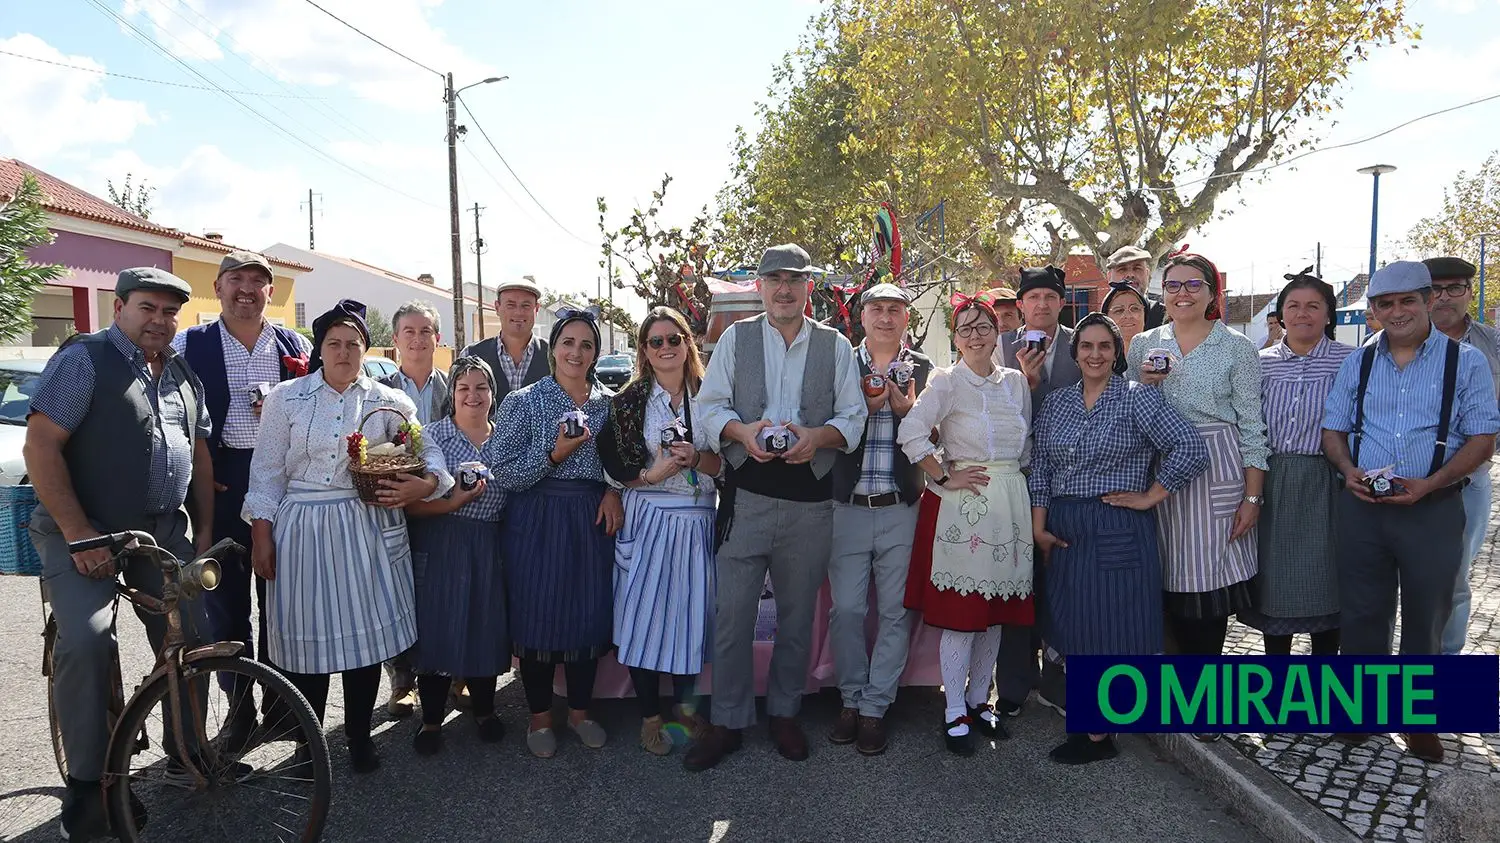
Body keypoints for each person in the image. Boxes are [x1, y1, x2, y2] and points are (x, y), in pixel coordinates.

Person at [26, 268, 216, 839]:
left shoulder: (181, 371)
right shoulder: (85, 360)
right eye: (147, 308)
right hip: (79, 530)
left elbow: (199, 455)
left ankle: (187, 748)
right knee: (86, 640)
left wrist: (203, 531)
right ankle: (88, 789)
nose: (158, 320)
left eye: (169, 311)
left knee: (196, 634)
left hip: (159, 530)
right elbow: (41, 445)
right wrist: (80, 533)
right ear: (120, 308)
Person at [245, 299, 453, 774]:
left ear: (366, 349)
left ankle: (359, 736)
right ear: (320, 348)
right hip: (302, 528)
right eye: (334, 343)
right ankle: (309, 743)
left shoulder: (389, 401)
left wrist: (426, 484)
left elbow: (431, 453)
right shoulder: (286, 398)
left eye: (353, 344)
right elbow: (267, 473)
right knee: (307, 643)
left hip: (365, 525)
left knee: (362, 645)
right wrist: (262, 534)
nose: (343, 352)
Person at [686, 243, 867, 771]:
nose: (784, 288)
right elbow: (708, 409)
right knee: (732, 618)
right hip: (746, 500)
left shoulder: (834, 345)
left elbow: (853, 419)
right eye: (774, 280)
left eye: (794, 279)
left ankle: (786, 713)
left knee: (795, 619)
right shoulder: (734, 340)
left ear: (809, 286)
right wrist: (742, 430)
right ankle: (728, 720)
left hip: (811, 505)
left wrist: (818, 437)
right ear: (760, 287)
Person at [1321, 261, 1499, 763]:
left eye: (1407, 301)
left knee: (1429, 614)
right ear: (1373, 311)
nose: (1396, 311)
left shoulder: (1464, 362)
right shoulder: (1357, 362)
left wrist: (1431, 484)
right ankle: (1363, 713)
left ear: (1426, 302)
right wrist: (1346, 467)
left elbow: (1484, 438)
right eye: (1385, 303)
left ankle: (1419, 720)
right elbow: (1333, 429)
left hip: (1435, 505)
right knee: (1361, 611)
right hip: (1363, 506)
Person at [1029, 313, 1208, 764]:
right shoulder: (1055, 404)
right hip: (1066, 527)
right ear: (1075, 353)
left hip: (1116, 526)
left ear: (1117, 353)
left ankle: (1098, 734)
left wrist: (1152, 496)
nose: (1094, 354)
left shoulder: (1138, 399)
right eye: (1086, 346)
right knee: (1074, 624)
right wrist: (1039, 526)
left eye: (1104, 347)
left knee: (1111, 627)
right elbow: (1044, 471)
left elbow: (1190, 447)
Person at [174, 251, 312, 750]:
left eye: (258, 281)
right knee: (226, 601)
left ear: (270, 293)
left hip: (285, 483)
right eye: (237, 280)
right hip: (224, 478)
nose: (247, 290)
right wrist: (196, 475)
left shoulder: (293, 343)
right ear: (218, 285)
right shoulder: (189, 343)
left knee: (282, 598)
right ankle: (240, 708)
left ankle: (282, 703)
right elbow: (174, 414)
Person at [898, 293, 1033, 756]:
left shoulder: (1016, 382)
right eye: (965, 329)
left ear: (998, 331)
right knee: (962, 616)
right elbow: (910, 433)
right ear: (955, 339)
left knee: (993, 614)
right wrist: (943, 474)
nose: (975, 335)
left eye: (983, 326)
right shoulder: (946, 381)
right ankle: (953, 705)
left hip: (1010, 501)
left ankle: (980, 699)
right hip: (965, 505)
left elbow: (1025, 445)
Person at [1126, 253, 1269, 672]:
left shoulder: (1236, 348)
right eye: (1173, 285)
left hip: (1217, 469)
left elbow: (1252, 426)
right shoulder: (1143, 344)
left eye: (1193, 285)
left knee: (1207, 593)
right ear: (1162, 292)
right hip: (1160, 467)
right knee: (1167, 581)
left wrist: (1253, 498)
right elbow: (1135, 409)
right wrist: (1147, 386)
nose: (1183, 293)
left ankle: (1205, 698)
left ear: (1211, 292)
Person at [492, 308, 625, 759]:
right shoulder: (524, 401)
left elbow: (623, 463)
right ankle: (539, 716)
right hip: (536, 518)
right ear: (555, 348)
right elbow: (501, 470)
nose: (576, 352)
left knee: (587, 613)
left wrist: (612, 491)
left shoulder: (608, 404)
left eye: (586, 345)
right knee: (537, 614)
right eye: (568, 342)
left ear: (595, 353)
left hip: (589, 519)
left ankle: (581, 712)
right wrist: (552, 455)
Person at [598, 307, 723, 756]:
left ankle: (686, 713)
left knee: (688, 620)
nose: (666, 348)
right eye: (656, 342)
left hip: (695, 519)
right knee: (643, 620)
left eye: (674, 339)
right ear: (644, 352)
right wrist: (655, 473)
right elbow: (614, 466)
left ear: (688, 343)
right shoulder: (629, 402)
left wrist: (697, 460)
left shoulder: (712, 397)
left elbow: (730, 463)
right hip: (647, 516)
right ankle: (650, 717)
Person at [826, 283, 934, 755]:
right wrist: (861, 414)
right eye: (877, 309)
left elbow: (939, 434)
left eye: (895, 310)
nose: (886, 317)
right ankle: (850, 697)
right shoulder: (838, 362)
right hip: (846, 507)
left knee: (895, 612)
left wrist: (909, 413)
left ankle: (874, 707)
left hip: (900, 506)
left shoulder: (927, 369)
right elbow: (824, 427)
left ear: (906, 319)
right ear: (862, 316)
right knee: (846, 610)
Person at [1238, 271, 1353, 657]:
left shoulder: (1349, 361)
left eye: (1313, 306)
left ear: (1328, 315)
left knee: (1327, 581)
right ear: (1281, 314)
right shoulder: (1259, 362)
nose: (1303, 314)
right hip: (1271, 481)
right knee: (1275, 586)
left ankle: (1324, 682)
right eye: (1293, 306)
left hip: (1326, 482)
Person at [403, 356, 509, 755]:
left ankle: (484, 710)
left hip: (488, 543)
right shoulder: (432, 437)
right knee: (436, 629)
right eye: (463, 388)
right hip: (440, 538)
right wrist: (451, 502)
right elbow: (410, 506)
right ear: (452, 395)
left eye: (481, 387)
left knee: (485, 627)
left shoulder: (504, 438)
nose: (473, 395)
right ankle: (431, 720)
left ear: (492, 394)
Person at [994, 265, 1081, 718]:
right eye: (1033, 297)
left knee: (1061, 581)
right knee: (1014, 579)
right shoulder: (998, 349)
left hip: (1069, 481)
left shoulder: (1081, 343)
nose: (1042, 304)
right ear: (1021, 305)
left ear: (1061, 301)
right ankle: (1012, 682)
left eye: (1050, 296)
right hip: (1014, 478)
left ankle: (1058, 679)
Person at [377, 300, 452, 717]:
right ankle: (402, 680)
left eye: (426, 331)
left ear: (437, 339)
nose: (418, 339)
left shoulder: (456, 387)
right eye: (410, 331)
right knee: (397, 590)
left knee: (439, 588)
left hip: (444, 501)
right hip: (395, 504)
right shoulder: (381, 392)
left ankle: (447, 674)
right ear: (396, 340)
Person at [1424, 256, 1500, 655]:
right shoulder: (1381, 346)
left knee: (1453, 581)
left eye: (1455, 288)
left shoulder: (1492, 345)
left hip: (1467, 486)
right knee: (1387, 578)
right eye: (1435, 289)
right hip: (1402, 485)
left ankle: (1447, 665)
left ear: (1471, 292)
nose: (1444, 298)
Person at [462, 278, 552, 404]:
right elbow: (456, 408)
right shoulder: (471, 355)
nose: (518, 312)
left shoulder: (554, 356)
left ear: (536, 309)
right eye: (511, 305)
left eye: (526, 306)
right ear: (497, 307)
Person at [1103, 245, 1168, 329]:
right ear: (1109, 276)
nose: (1130, 275)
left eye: (1137, 268)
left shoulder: (1166, 317)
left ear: (1147, 274)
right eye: (1122, 269)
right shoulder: (1099, 322)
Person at [1102, 284, 1149, 355]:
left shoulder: (1160, 355)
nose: (1128, 316)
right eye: (1119, 310)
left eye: (1135, 308)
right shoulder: (1096, 360)